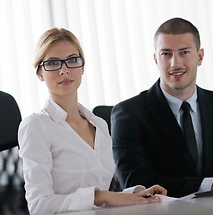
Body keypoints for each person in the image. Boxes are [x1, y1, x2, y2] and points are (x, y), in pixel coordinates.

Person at [18, 27, 167, 214]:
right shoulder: (36, 126)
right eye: (53, 63)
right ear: (40, 72)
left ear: (82, 67)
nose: (64, 70)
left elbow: (99, 195)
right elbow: (39, 206)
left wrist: (134, 195)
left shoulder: (99, 124)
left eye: (72, 60)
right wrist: (101, 196)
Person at [111, 17, 213, 198]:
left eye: (184, 52)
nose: (175, 63)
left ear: (200, 56)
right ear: (155, 59)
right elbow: (134, 181)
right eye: (166, 54)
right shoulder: (128, 113)